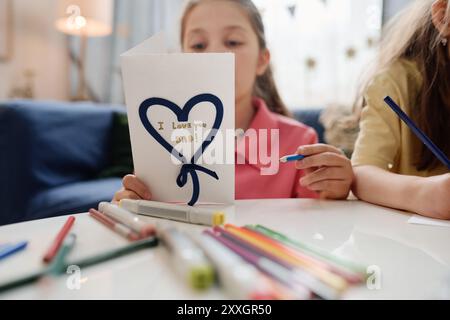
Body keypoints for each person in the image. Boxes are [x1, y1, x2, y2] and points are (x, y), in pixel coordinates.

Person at [113, 0, 353, 203]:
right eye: (198, 45)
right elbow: (145, 218)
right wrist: (128, 207)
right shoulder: (160, 140)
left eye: (233, 42)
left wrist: (337, 192)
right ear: (181, 61)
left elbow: (318, 229)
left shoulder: (299, 142)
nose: (215, 54)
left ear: (262, 60)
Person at [351, 0, 450, 219]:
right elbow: (361, 174)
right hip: (408, 245)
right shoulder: (395, 84)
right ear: (443, 17)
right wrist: (426, 194)